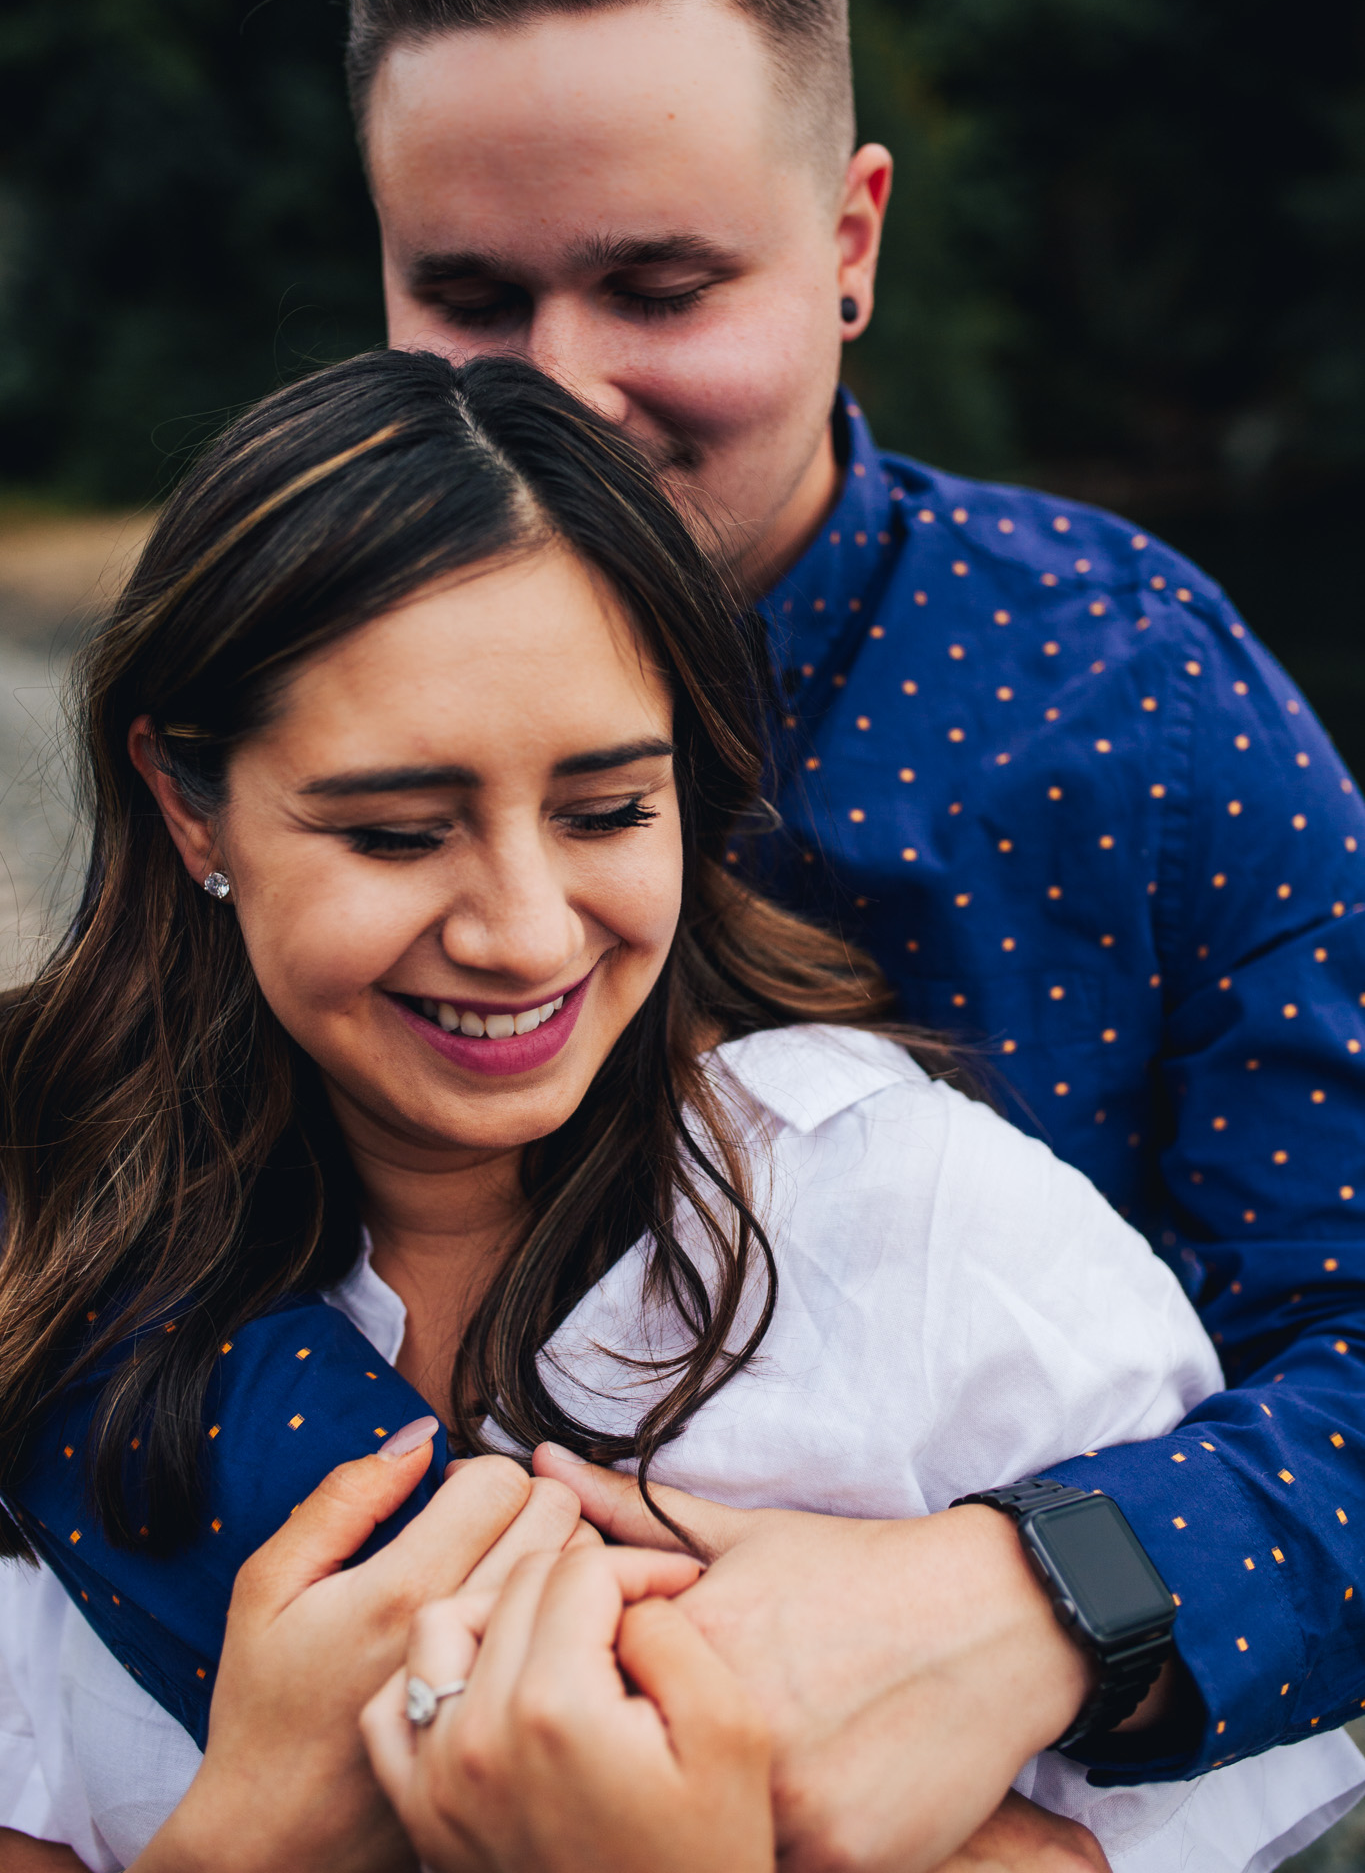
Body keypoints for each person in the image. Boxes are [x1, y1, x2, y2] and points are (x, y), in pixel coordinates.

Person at [323, 0, 1365, 1858]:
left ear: (849, 241)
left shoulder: (1141, 707)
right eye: (468, 296)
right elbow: (101, 1242)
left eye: (658, 288)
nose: (561, 394)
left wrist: (1037, 1601)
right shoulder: (281, 701)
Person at [1, 351, 1361, 1873]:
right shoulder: (53, 1261)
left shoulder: (932, 1230)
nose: (524, 934)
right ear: (189, 805)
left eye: (605, 812)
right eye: (395, 833)